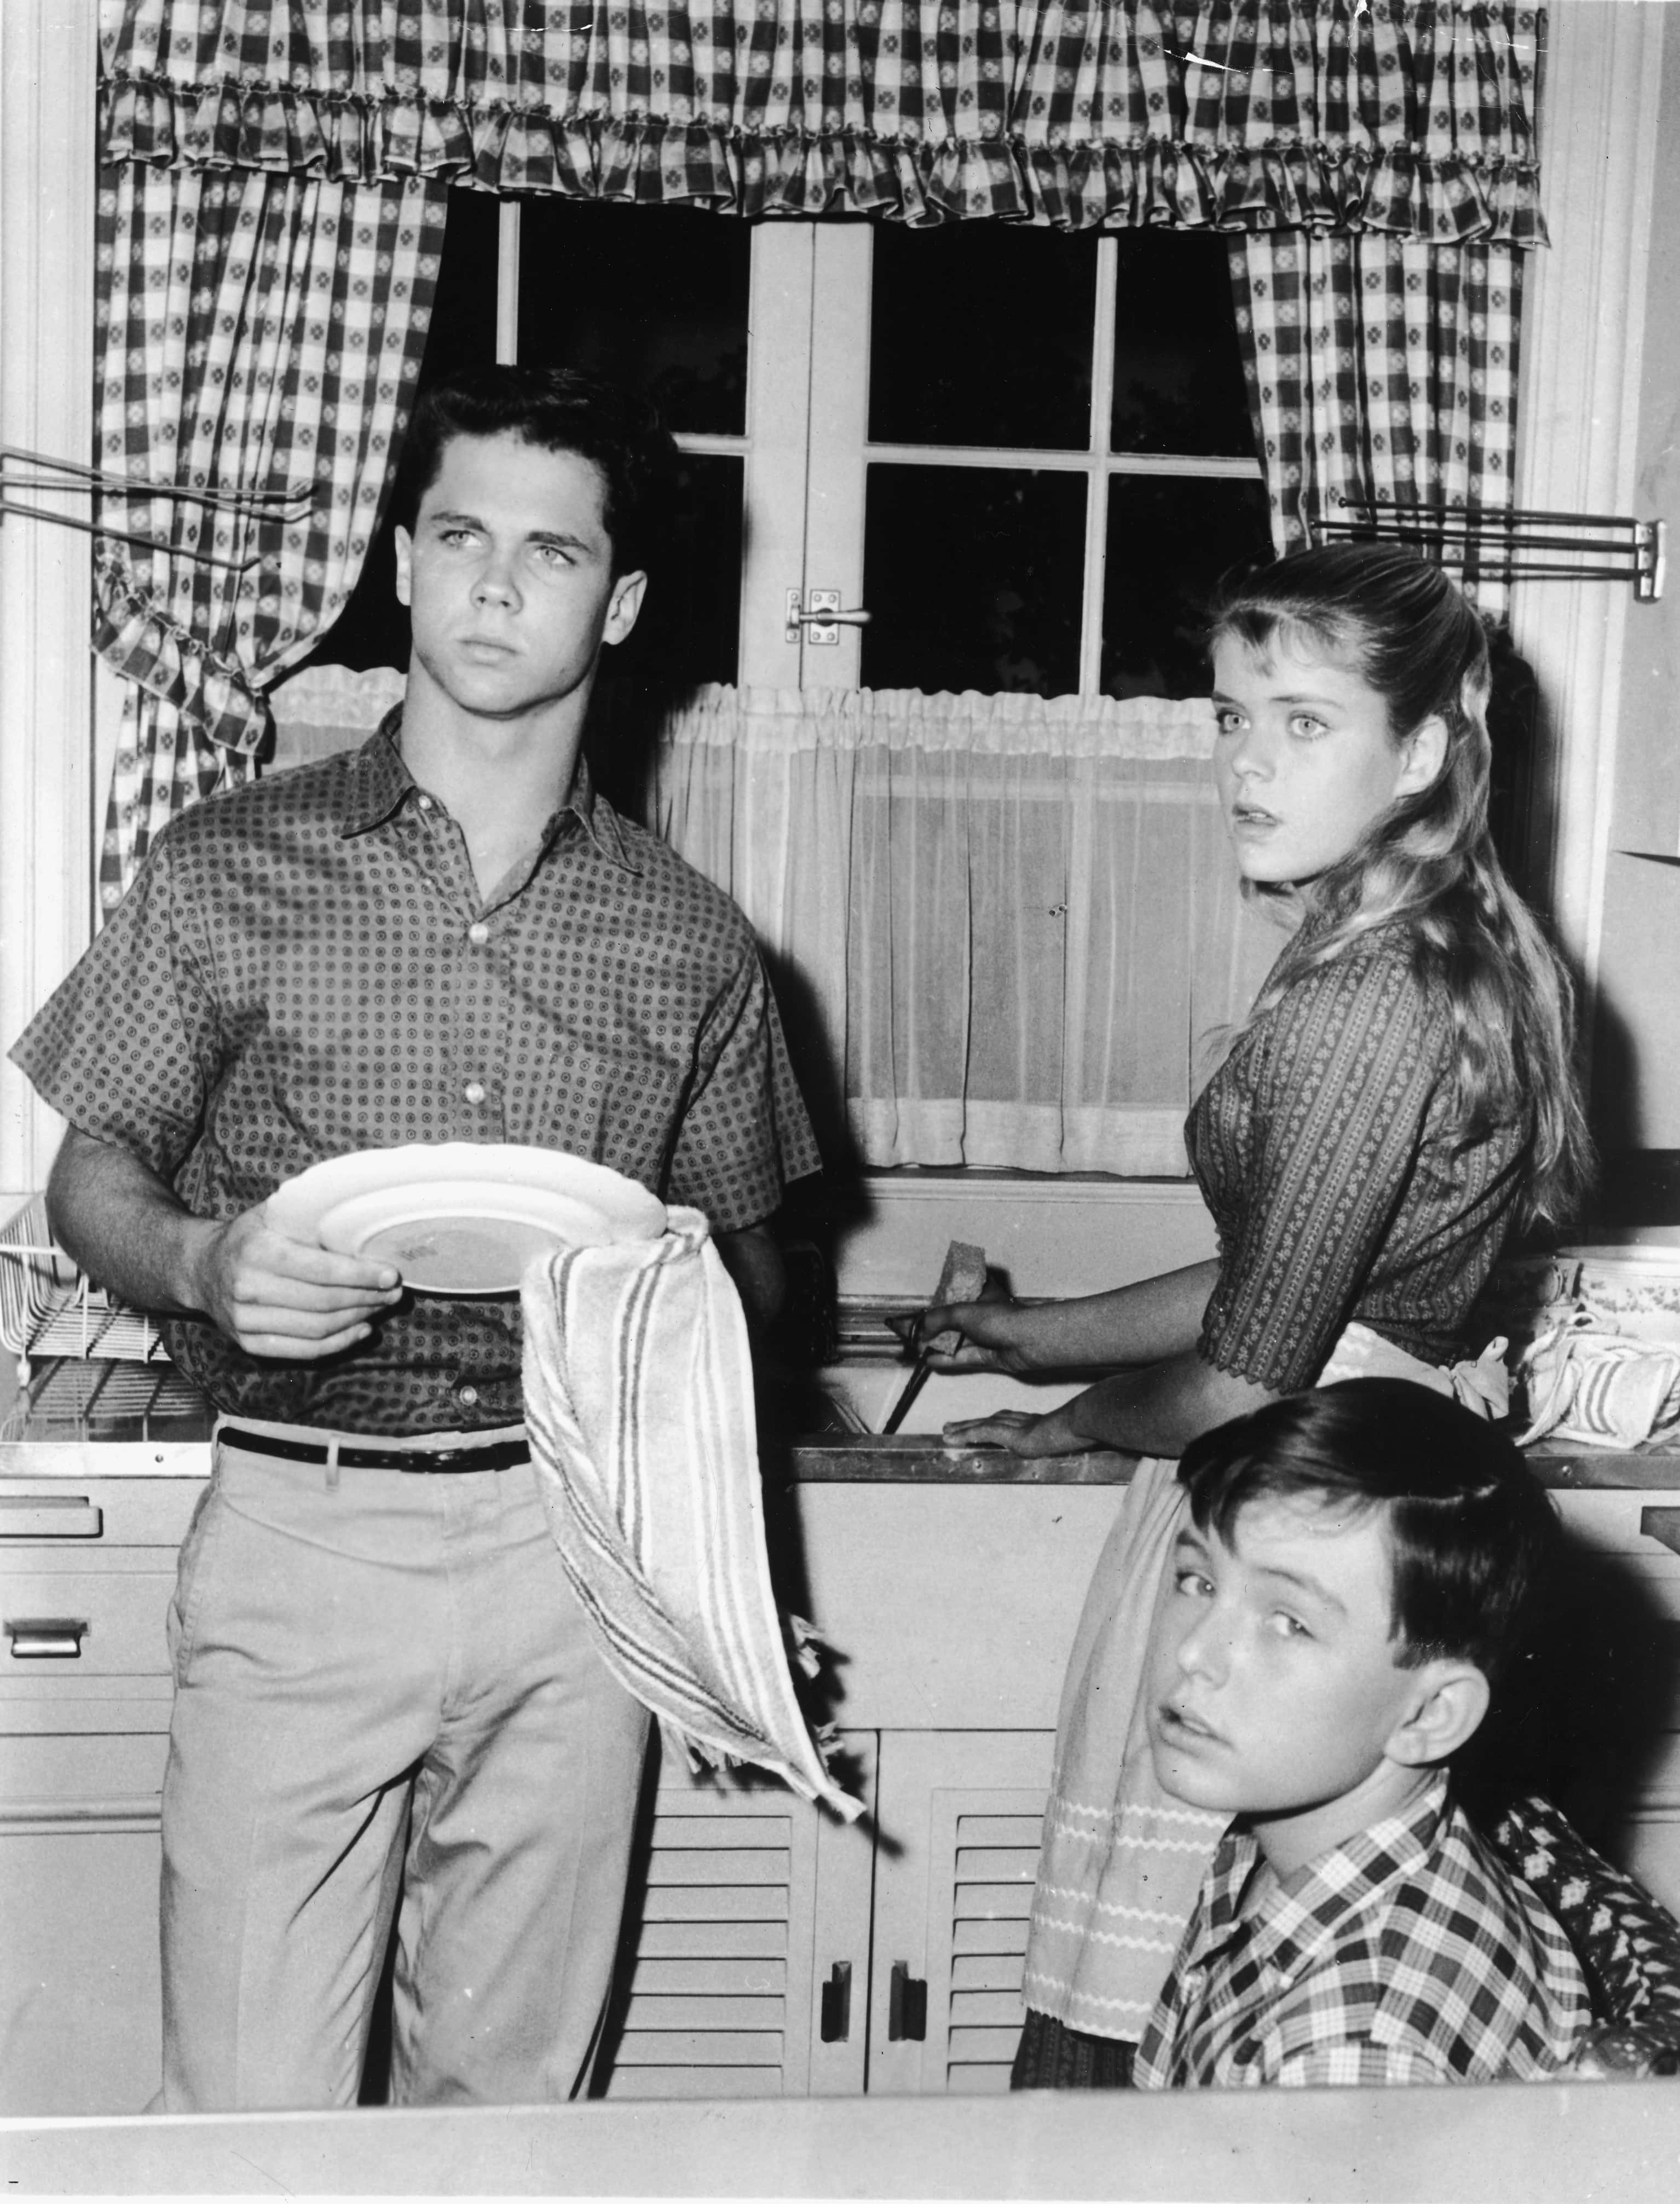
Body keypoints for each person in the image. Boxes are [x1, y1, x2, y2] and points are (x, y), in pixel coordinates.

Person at [8, 365, 821, 2111]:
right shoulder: (228, 863)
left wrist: (666, 1308)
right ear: (401, 559)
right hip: (299, 1531)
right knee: (243, 2115)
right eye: (460, 536)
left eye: (548, 552)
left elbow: (758, 1281)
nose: (496, 584)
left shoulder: (688, 944)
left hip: (571, 1557)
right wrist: (208, 1263)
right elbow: (95, 1179)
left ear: (618, 603)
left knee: (515, 2119)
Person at [905, 545, 1594, 2082]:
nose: (1241, 764)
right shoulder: (1391, 944)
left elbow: (1239, 1374)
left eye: (1298, 722)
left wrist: (1067, 1423)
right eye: (1227, 719)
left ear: (1415, 753)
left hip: (1284, 1491)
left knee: (1161, 2007)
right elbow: (1282, 1266)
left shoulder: (1369, 994)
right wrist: (1037, 1333)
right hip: (1315, 1464)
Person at [1131, 1381, 1589, 2088]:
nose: (1194, 1652)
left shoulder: (1352, 2055)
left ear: (1428, 1713)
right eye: (1196, 1580)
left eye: (1289, 1620)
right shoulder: (1285, 1845)